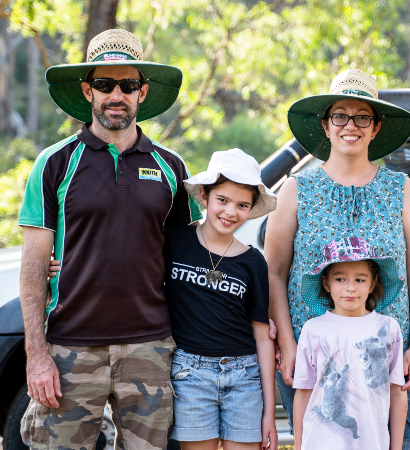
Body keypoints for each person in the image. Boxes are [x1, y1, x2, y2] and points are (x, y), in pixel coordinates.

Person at [18, 29, 201, 450]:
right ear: (88, 91)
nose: (116, 95)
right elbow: (31, 269)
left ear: (143, 92)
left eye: (128, 85)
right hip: (69, 349)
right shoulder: (55, 163)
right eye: (104, 84)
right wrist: (37, 355)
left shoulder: (171, 167)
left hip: (151, 348)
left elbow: (187, 257)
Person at [265, 69, 410, 449]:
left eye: (362, 117)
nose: (350, 125)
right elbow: (274, 271)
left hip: (383, 359)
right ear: (326, 125)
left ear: (376, 128)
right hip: (313, 357)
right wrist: (288, 345)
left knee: (395, 442)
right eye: (340, 115)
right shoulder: (296, 188)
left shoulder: (400, 189)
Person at [164, 149, 278, 450]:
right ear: (204, 195)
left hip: (244, 376)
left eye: (242, 205)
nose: (230, 212)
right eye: (222, 200)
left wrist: (269, 412)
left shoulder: (253, 262)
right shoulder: (174, 241)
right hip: (190, 374)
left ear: (252, 208)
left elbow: (263, 335)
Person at [293, 237, 408, 450]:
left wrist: (397, 447)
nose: (351, 288)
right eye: (340, 279)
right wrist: (298, 446)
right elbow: (303, 393)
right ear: (326, 283)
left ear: (373, 284)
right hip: (321, 443)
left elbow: (397, 392)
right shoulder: (313, 329)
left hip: (373, 443)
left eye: (360, 280)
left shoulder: (388, 327)